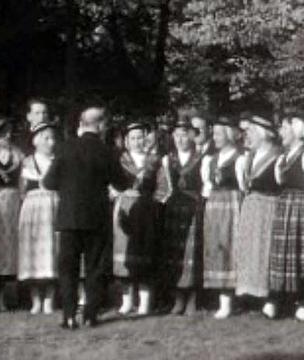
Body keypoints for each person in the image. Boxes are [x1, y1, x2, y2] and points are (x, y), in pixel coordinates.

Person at [42, 107, 126, 329]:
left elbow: (49, 182)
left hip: (69, 217)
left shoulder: (64, 148)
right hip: (97, 218)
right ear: (100, 125)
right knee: (95, 268)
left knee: (67, 268)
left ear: (82, 123)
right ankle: (90, 315)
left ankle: (69, 316)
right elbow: (122, 183)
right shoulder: (108, 151)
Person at [265, 115, 304, 321]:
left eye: (284, 128)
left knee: (301, 253)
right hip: (284, 206)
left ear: (296, 131)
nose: (281, 133)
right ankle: (280, 299)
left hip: (300, 208)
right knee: (282, 253)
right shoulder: (284, 157)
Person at [234, 113, 282, 317]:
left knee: (266, 249)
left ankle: (271, 298)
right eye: (247, 132)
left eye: (251, 132)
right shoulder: (248, 157)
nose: (247, 136)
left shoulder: (278, 156)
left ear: (264, 134)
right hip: (251, 207)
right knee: (249, 250)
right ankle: (250, 295)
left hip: (268, 207)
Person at [156, 118, 203, 316]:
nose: (181, 139)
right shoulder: (167, 160)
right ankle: (178, 298)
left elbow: (205, 186)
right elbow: (163, 187)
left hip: (194, 208)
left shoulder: (202, 157)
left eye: (184, 134)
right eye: (177, 135)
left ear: (192, 136)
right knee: (175, 253)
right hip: (174, 209)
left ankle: (192, 298)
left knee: (191, 254)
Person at [111, 122, 160, 315]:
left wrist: (154, 202)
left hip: (146, 209)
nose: (137, 141)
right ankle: (127, 300)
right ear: (126, 141)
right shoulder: (120, 160)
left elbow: (162, 186)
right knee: (125, 253)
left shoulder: (154, 160)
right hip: (124, 207)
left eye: (140, 137)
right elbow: (113, 184)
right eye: (133, 138)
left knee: (145, 252)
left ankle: (145, 302)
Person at [199, 115, 244, 319]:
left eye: (218, 133)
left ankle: (230, 300)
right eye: (213, 133)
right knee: (215, 247)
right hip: (214, 207)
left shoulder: (240, 158)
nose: (214, 137)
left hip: (232, 205)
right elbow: (207, 187)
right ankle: (219, 299)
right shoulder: (210, 160)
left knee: (230, 247)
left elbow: (244, 187)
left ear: (228, 134)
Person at [18, 121, 59, 315]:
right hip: (33, 210)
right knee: (33, 253)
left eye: (52, 138)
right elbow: (21, 190)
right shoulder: (26, 162)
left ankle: (50, 299)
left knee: (52, 252)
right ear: (35, 141)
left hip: (53, 208)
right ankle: (36, 299)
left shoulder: (57, 160)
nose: (50, 142)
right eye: (46, 138)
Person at [0, 117, 25, 312]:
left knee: (10, 249)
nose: (7, 136)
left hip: (13, 203)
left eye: (9, 132)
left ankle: (8, 295)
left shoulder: (18, 154)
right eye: (2, 132)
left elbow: (22, 182)